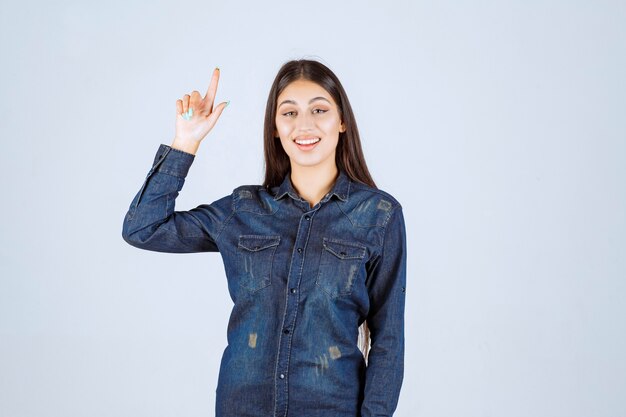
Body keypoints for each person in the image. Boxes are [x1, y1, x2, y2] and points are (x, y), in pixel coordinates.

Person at [122, 58, 407, 417]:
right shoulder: (243, 211)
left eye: (319, 109)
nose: (304, 124)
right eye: (288, 113)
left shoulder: (378, 215)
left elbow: (388, 341)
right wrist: (185, 143)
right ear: (274, 127)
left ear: (342, 121)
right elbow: (142, 228)